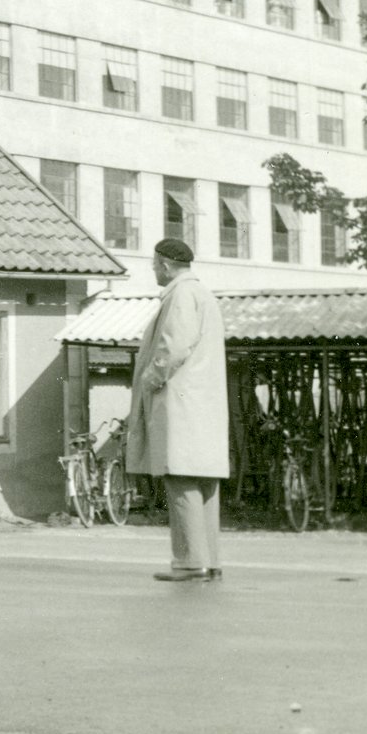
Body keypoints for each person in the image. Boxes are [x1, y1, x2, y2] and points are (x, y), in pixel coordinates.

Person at [128, 238, 230, 583]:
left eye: (155, 265)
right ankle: (209, 560)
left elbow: (174, 346)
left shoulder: (181, 295)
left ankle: (189, 561)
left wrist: (149, 379)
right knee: (203, 482)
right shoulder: (203, 295)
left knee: (180, 476)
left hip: (182, 402)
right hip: (203, 404)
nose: (154, 270)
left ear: (166, 265)